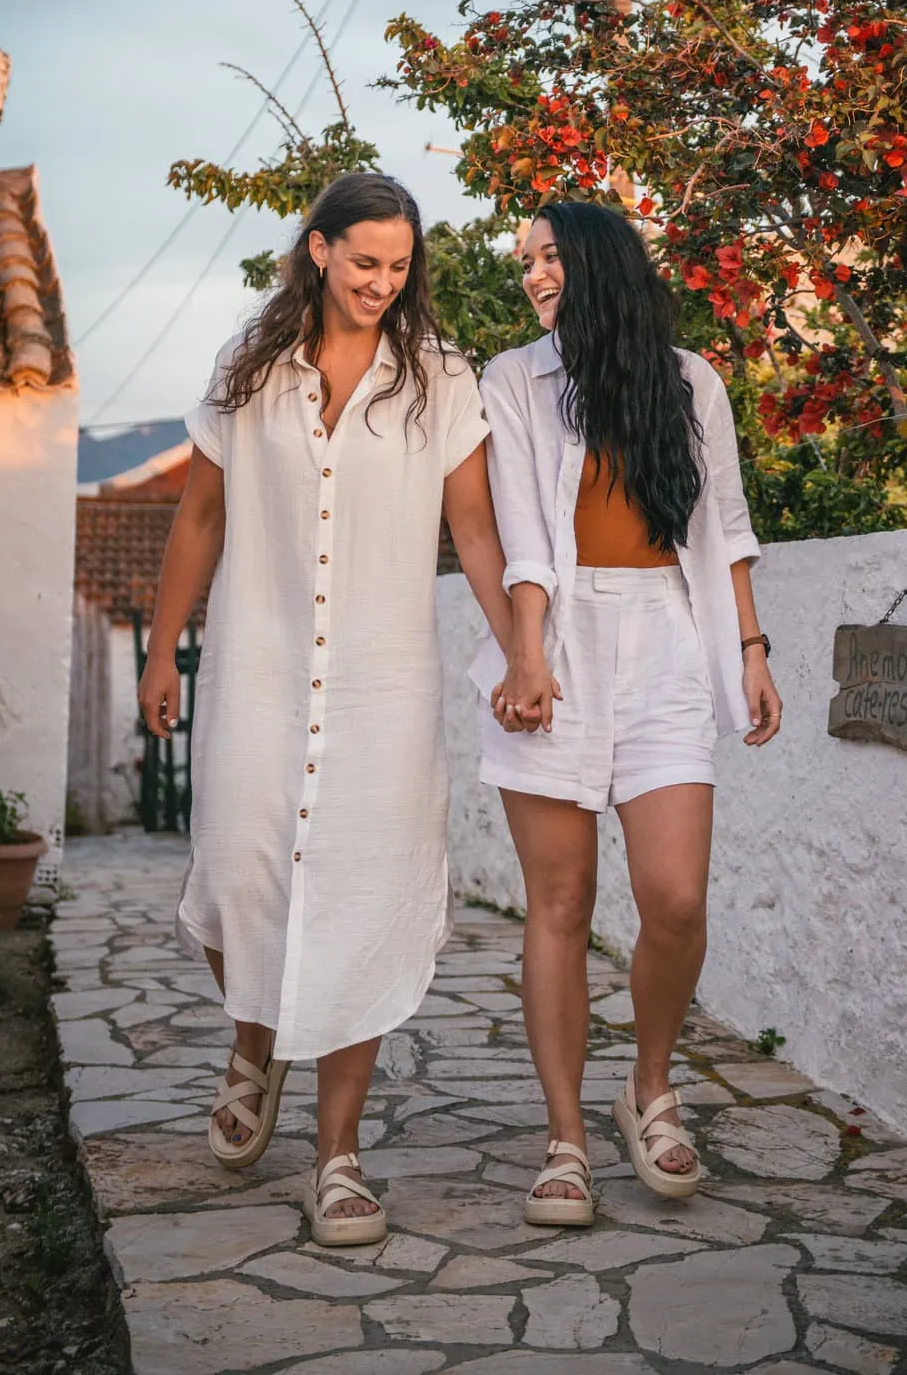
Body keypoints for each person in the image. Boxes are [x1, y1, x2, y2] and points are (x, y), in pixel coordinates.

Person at [138, 171, 512, 1248]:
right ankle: (254, 1043)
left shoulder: (440, 378)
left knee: (361, 900)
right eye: (363, 263)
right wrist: (162, 651)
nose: (380, 284)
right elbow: (200, 518)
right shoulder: (248, 367)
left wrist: (521, 647)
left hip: (380, 686)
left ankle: (337, 1156)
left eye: (398, 267)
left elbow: (473, 530)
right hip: (257, 668)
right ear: (318, 250)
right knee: (236, 872)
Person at [474, 199, 782, 1227]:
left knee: (675, 898)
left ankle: (648, 1084)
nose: (532, 273)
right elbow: (521, 529)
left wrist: (750, 649)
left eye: (548, 256)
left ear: (599, 262)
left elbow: (725, 523)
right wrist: (526, 656)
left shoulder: (690, 382)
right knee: (559, 904)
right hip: (558, 641)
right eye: (525, 260)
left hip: (665, 641)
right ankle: (564, 1137)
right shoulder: (514, 379)